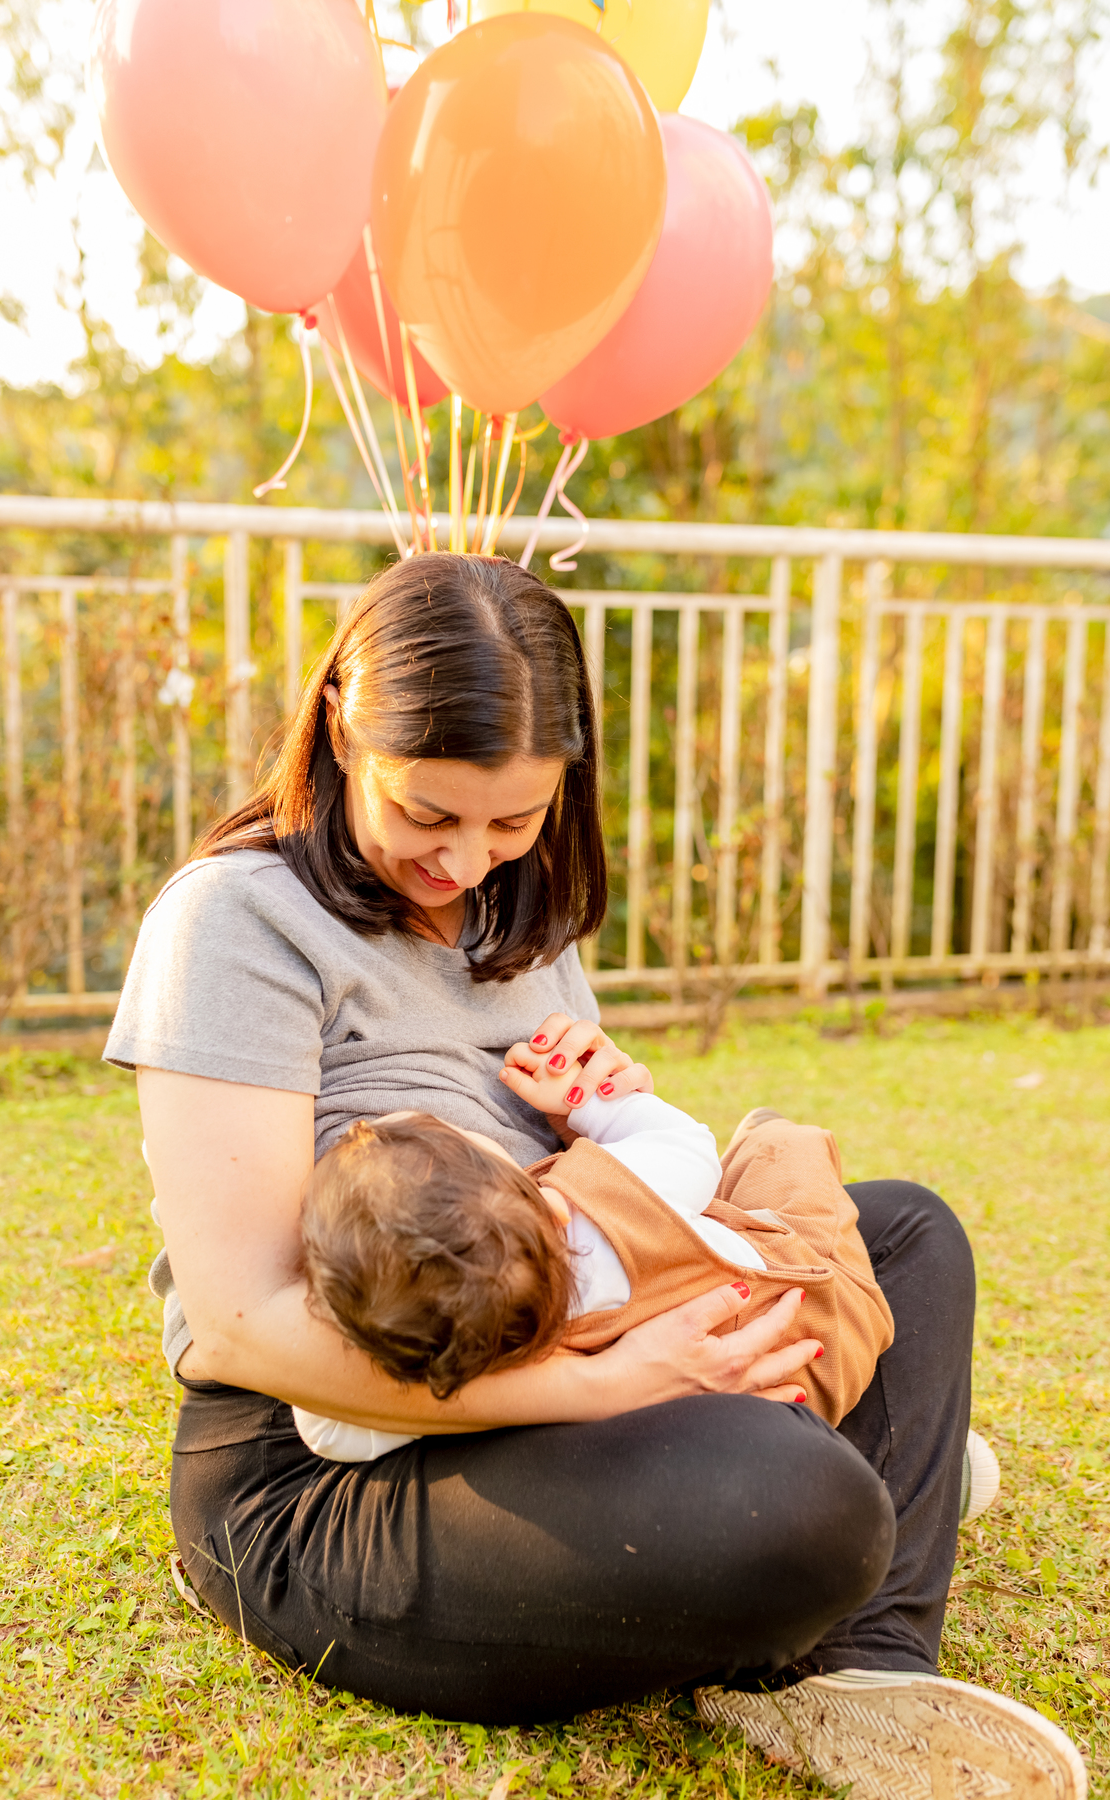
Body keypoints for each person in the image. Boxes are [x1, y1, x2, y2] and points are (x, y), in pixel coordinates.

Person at [105, 553, 1084, 1800]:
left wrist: (599, 1105)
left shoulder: (521, 920)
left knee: (906, 1235)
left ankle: (864, 1666)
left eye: (512, 821)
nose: (467, 861)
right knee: (805, 1502)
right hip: (335, 1460)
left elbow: (588, 1192)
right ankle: (866, 1488)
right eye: (429, 814)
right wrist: (611, 1386)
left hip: (563, 1338)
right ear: (342, 730)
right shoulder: (235, 922)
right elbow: (243, 1326)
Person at [290, 1079, 894, 1462]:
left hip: (764, 1421)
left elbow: (326, 1427)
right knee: (784, 1151)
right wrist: (593, 1105)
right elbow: (686, 1145)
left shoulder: (474, 1361)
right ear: (552, 1211)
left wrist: (363, 1320)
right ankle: (768, 1140)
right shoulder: (596, 1208)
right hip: (823, 1311)